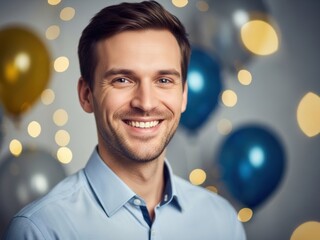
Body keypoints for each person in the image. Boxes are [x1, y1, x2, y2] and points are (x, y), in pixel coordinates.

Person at [4, 1, 246, 239]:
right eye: (122, 80)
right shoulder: (40, 230)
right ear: (86, 95)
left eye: (163, 80)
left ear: (183, 96)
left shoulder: (222, 221)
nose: (146, 103)